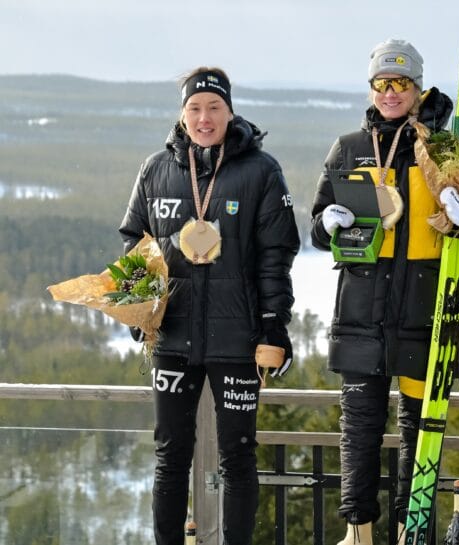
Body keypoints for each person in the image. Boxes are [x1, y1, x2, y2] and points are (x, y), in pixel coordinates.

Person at [310, 39, 459, 544]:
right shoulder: (350, 147)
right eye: (382, 83)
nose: (391, 93)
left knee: (420, 427)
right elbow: (315, 226)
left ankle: (408, 527)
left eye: (401, 83)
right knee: (360, 427)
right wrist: (328, 222)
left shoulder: (451, 144)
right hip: (360, 309)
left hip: (427, 309)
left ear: (419, 87)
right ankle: (359, 531)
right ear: (371, 87)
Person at [119, 66, 300, 545]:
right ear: (182, 115)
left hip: (237, 339)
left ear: (229, 111)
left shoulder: (261, 170)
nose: (204, 118)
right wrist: (138, 307)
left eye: (214, 107)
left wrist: (273, 327)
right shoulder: (156, 169)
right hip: (173, 338)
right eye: (195, 108)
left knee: (238, 456)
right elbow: (135, 244)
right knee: (170, 455)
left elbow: (275, 258)